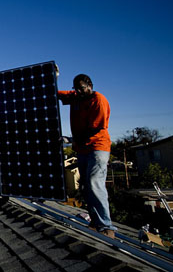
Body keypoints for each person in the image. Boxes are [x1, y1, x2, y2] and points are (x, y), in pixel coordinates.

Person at [58, 74, 117, 238]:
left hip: (98, 147)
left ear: (90, 85)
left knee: (95, 183)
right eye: (75, 88)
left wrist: (70, 139)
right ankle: (95, 222)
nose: (78, 91)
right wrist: (52, 76)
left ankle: (107, 225)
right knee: (85, 184)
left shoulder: (98, 100)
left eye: (82, 88)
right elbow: (56, 94)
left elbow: (94, 129)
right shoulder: (76, 97)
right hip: (82, 149)